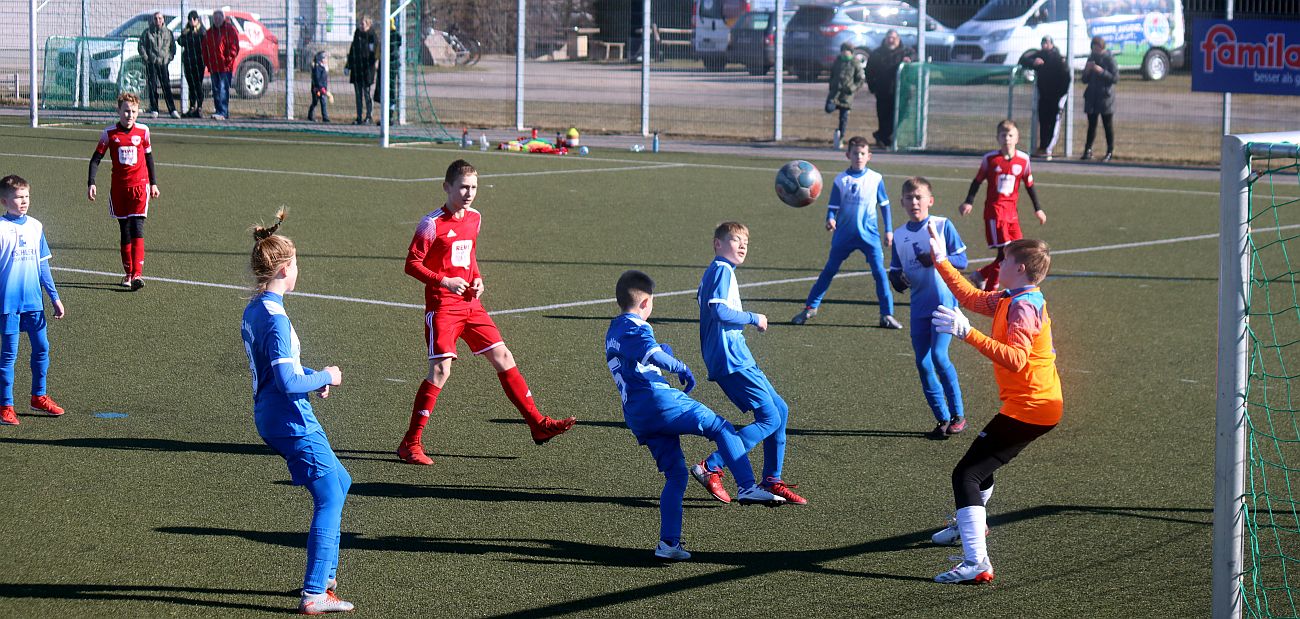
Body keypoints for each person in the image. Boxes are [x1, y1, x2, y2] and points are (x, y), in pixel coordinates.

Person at [396, 160, 576, 465]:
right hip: (443, 307)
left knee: (504, 357)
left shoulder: (475, 218)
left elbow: (470, 256)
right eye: (463, 187)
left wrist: (477, 279)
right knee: (441, 371)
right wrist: (444, 280)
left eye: (474, 187)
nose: (469, 193)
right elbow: (411, 264)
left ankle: (538, 424)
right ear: (447, 187)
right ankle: (410, 444)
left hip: (471, 304)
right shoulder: (432, 224)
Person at [606, 270, 785, 560]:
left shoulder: (613, 330)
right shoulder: (635, 327)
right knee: (722, 428)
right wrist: (678, 366)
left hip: (637, 415)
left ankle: (668, 544)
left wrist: (661, 352)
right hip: (659, 401)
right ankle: (747, 486)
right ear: (646, 303)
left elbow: (637, 360)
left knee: (676, 476)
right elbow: (651, 355)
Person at [924, 231, 1062, 585]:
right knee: (980, 470)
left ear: (1017, 267)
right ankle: (971, 526)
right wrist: (941, 260)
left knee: (965, 475)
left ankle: (976, 562)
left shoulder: (1023, 307)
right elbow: (970, 297)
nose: (997, 265)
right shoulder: (1009, 296)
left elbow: (1016, 359)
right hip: (1030, 405)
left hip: (1031, 408)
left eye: (1003, 261)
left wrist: (967, 333)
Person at [240, 210, 354, 614]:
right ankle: (314, 593)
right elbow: (287, 383)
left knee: (340, 481)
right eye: (297, 263)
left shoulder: (255, 309)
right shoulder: (277, 319)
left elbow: (281, 368)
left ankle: (326, 577)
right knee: (328, 497)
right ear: (286, 269)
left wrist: (312, 377)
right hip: (288, 418)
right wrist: (328, 375)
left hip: (271, 413)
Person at [691, 222, 807, 506]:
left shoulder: (718, 271)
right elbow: (718, 311)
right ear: (717, 244)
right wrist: (754, 317)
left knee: (780, 409)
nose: (742, 245)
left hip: (735, 355)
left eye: (745, 242)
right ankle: (712, 466)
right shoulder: (721, 269)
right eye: (734, 240)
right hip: (731, 358)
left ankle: (772, 479)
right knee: (770, 418)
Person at [791, 136, 901, 330]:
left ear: (869, 156)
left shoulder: (876, 179)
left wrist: (889, 230)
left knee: (880, 274)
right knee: (829, 271)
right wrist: (830, 219)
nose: (859, 157)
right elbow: (833, 206)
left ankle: (887, 315)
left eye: (862, 153)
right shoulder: (841, 179)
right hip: (844, 235)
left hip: (870, 235)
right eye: (855, 153)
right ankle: (810, 308)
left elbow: (884, 206)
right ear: (848, 155)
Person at [888, 177, 967, 439]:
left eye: (919, 197)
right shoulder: (899, 235)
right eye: (909, 198)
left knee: (939, 356)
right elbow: (896, 271)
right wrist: (896, 281)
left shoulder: (943, 225)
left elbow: (962, 260)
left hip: (944, 305)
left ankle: (958, 415)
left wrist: (935, 258)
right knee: (922, 363)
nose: (914, 202)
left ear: (930, 201)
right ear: (902, 202)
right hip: (918, 307)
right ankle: (942, 419)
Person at [0, 175, 66, 427]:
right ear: (5, 200)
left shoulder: (36, 226)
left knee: (42, 349)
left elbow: (43, 266)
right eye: (18, 197)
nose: (24, 201)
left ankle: (38, 396)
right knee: (9, 356)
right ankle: (5, 405)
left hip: (33, 303)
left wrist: (54, 297)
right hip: (8, 304)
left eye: (26, 196)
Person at [957, 120, 1045, 292]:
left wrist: (1038, 209)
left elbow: (1029, 185)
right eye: (1003, 135)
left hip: (1012, 213)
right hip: (995, 212)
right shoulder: (990, 159)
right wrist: (968, 201)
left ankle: (981, 275)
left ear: (1017, 138)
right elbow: (977, 181)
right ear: (997, 138)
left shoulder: (1023, 160)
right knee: (1004, 254)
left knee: (1018, 251)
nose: (1007, 139)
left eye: (1010, 135)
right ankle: (990, 292)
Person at [87, 92, 159, 291]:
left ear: (138, 112)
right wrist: (91, 182)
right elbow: (95, 159)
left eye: (134, 111)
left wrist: (153, 183)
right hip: (119, 189)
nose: (130, 115)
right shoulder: (109, 134)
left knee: (137, 228)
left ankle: (137, 274)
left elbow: (149, 158)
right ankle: (128, 272)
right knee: (124, 231)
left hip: (139, 187)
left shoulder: (143, 131)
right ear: (118, 111)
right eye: (126, 111)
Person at [1019, 35, 1070, 160]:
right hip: (1044, 95)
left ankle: (1048, 149)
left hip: (1055, 96)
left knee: (1053, 122)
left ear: (1052, 44)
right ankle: (1042, 147)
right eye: (1043, 42)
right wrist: (1033, 62)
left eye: (1047, 42)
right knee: (1043, 121)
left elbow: (1066, 78)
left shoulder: (1057, 58)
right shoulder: (1039, 54)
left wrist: (1060, 95)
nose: (1044, 45)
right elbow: (1022, 59)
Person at [864, 29, 913, 149]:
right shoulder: (877, 53)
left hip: (901, 92)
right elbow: (869, 71)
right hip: (883, 91)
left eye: (894, 38)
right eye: (889, 38)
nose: (891, 41)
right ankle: (883, 139)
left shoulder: (905, 52)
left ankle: (884, 137)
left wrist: (909, 60)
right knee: (883, 116)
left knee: (900, 115)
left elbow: (914, 58)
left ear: (898, 39)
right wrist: (872, 87)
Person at [1081, 36, 1118, 161]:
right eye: (1093, 48)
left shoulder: (1110, 59)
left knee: (1107, 125)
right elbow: (1084, 80)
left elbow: (1115, 78)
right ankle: (1088, 150)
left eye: (1097, 48)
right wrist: (1087, 70)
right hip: (1092, 97)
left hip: (1105, 98)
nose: (1095, 51)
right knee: (1091, 125)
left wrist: (1101, 71)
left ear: (1102, 47)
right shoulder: (1091, 58)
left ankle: (1110, 151)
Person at [137, 12, 178, 119]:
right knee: (152, 86)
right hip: (152, 63)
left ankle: (172, 110)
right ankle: (154, 109)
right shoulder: (147, 33)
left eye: (160, 18)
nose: (158, 20)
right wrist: (147, 58)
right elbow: (141, 46)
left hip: (163, 64)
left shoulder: (168, 33)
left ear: (163, 20)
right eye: (155, 18)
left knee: (166, 86)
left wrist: (168, 58)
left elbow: (173, 47)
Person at [201, 9, 239, 120]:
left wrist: (228, 59)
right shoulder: (209, 32)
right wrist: (208, 62)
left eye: (219, 18)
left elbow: (234, 47)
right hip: (213, 66)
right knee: (216, 89)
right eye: (215, 18)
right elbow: (204, 49)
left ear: (223, 18)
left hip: (225, 66)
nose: (217, 20)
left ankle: (223, 111)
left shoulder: (230, 30)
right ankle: (218, 110)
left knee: (223, 88)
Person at [826, 42, 865, 145]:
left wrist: (852, 88)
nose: (844, 53)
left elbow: (860, 79)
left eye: (846, 50)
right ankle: (837, 132)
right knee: (829, 108)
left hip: (846, 95)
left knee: (843, 118)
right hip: (835, 94)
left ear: (851, 52)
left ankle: (840, 137)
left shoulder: (855, 63)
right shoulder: (837, 61)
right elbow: (832, 74)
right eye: (843, 50)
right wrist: (832, 86)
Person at [345, 17, 378, 125]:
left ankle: (369, 116)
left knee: (367, 93)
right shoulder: (357, 34)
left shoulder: (372, 36)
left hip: (367, 70)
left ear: (368, 24)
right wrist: (348, 65)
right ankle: (359, 117)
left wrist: (371, 64)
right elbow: (352, 49)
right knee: (358, 95)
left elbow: (374, 54)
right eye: (360, 23)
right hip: (356, 70)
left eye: (363, 24)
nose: (361, 25)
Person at [177, 10, 206, 118]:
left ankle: (199, 108)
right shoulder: (187, 31)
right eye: (190, 19)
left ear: (197, 20)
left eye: (194, 19)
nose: (192, 21)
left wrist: (192, 36)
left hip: (199, 62)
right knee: (191, 86)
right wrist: (186, 33)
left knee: (198, 85)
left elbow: (201, 43)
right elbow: (180, 41)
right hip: (188, 61)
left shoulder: (201, 31)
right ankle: (192, 107)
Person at [373, 18, 402, 124]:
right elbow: (379, 50)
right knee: (382, 91)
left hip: (391, 66)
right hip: (382, 65)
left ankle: (389, 116)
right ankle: (385, 117)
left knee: (390, 90)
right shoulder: (384, 34)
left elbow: (395, 48)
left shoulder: (394, 35)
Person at [307, 51, 332, 123]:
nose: (327, 60)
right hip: (317, 89)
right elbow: (317, 79)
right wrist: (320, 88)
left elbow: (324, 79)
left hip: (322, 88)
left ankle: (325, 117)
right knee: (315, 102)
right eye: (325, 58)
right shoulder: (317, 68)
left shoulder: (323, 67)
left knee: (323, 101)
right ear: (321, 59)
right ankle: (311, 115)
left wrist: (325, 88)